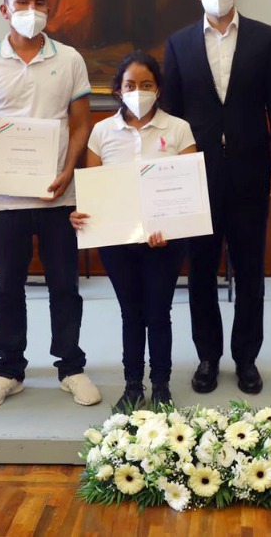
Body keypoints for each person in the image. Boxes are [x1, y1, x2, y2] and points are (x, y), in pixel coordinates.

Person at [0, 0, 101, 410]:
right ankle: (9, 370)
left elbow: (81, 124)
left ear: (49, 9)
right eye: (22, 1)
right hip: (3, 198)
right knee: (8, 286)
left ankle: (71, 367)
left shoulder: (70, 58)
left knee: (64, 284)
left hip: (59, 194)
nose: (31, 10)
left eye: (39, 2)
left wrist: (68, 171)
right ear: (5, 9)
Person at [162, 0, 271, 396]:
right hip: (196, 174)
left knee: (250, 268)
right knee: (200, 270)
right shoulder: (179, 43)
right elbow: (170, 114)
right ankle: (207, 357)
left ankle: (246, 358)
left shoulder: (265, 38)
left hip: (252, 171)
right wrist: (170, 172)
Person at [70, 52, 197, 412]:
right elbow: (93, 191)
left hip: (165, 242)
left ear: (158, 89)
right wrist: (81, 214)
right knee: (130, 313)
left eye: (146, 84)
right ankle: (132, 386)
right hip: (117, 242)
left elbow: (188, 191)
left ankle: (161, 385)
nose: (137, 91)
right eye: (130, 85)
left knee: (158, 312)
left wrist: (171, 226)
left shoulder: (178, 129)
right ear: (118, 90)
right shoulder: (102, 132)